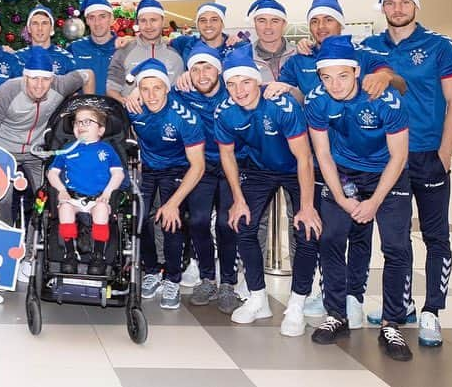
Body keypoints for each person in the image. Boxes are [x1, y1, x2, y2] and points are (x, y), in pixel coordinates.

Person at [362, 0, 452, 346]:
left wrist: (444, 153)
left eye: (404, 2)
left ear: (415, 6)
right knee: (396, 238)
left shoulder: (441, 46)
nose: (397, 9)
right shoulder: (370, 47)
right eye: (390, 3)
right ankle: (400, 304)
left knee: (436, 236)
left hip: (427, 154)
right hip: (390, 158)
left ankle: (432, 311)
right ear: (382, 8)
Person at [305, 35, 413, 361]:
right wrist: (340, 197)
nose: (334, 85)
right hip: (344, 172)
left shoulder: (386, 100)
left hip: (387, 173)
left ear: (355, 71)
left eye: (342, 76)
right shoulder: (318, 102)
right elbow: (321, 154)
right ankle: (336, 313)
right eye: (326, 77)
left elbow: (398, 156)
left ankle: (392, 321)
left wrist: (374, 202)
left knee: (396, 246)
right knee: (332, 239)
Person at [215, 46, 321, 336]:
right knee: (243, 224)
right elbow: (226, 156)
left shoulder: (281, 106)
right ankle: (258, 297)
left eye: (246, 82)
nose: (239, 90)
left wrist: (307, 206)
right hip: (260, 168)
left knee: (307, 229)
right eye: (232, 84)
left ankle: (297, 303)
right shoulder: (225, 112)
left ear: (257, 81)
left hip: (294, 167)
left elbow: (304, 158)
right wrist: (238, 199)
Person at [0, 47, 93, 280]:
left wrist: (86, 109)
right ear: (25, 77)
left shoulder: (60, 85)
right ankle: (2, 253)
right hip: (4, 149)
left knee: (45, 199)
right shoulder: (8, 90)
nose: (40, 86)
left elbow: (88, 74)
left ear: (52, 78)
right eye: (34, 79)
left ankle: (30, 255)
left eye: (45, 80)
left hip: (37, 153)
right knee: (3, 199)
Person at [127, 58, 206, 310]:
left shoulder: (185, 118)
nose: (151, 95)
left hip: (179, 168)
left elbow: (198, 166)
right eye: (145, 89)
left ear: (166, 88)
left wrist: (173, 203)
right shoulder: (133, 108)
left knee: (171, 220)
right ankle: (152, 270)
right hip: (148, 168)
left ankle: (173, 277)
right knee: (141, 217)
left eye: (157, 88)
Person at [173, 42, 240, 312]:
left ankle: (228, 283)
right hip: (200, 166)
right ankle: (207, 278)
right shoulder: (183, 92)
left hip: (231, 166)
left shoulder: (235, 90)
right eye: (196, 68)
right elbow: (153, 97)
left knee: (226, 223)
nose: (202, 74)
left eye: (208, 67)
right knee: (198, 221)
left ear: (219, 71)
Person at [275, 0, 401, 101]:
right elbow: (284, 94)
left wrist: (385, 77)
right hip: (314, 125)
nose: (321, 26)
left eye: (328, 20)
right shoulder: (298, 60)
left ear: (340, 24)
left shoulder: (363, 54)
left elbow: (400, 85)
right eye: (314, 21)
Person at [47, 105, 125, 275]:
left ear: (101, 130)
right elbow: (52, 173)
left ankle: (98, 256)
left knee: (102, 211)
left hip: (98, 199)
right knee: (65, 209)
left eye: (87, 122)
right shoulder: (67, 148)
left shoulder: (107, 149)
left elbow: (118, 174)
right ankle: (69, 254)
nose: (81, 125)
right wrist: (61, 190)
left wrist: (107, 193)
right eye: (77, 123)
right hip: (72, 197)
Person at [107, 0, 183, 108]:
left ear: (163, 21)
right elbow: (112, 88)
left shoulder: (175, 56)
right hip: (131, 120)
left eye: (153, 20)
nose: (148, 26)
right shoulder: (124, 51)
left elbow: (179, 94)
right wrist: (127, 104)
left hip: (165, 121)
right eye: (143, 21)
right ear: (137, 24)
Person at [68, 0, 117, 96]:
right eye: (92, 17)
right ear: (87, 21)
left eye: (102, 17)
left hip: (117, 110)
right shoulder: (74, 48)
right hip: (83, 110)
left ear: (111, 19)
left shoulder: (123, 47)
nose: (97, 23)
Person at [245, 0, 297, 83]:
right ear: (255, 23)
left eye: (275, 21)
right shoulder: (243, 57)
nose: (268, 27)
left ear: (284, 24)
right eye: (262, 21)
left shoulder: (299, 53)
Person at [15, 5, 76, 75]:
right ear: (29, 28)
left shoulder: (66, 58)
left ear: (51, 28)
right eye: (35, 23)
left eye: (44, 23)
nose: (40, 28)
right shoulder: (18, 58)